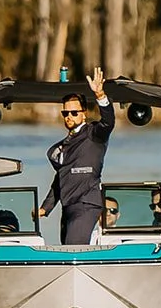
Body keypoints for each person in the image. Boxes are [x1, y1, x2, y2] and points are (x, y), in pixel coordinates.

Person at [38, 66, 115, 244]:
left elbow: (108, 122)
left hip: (87, 203)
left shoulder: (94, 134)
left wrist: (100, 96)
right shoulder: (58, 148)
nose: (69, 116)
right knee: (66, 249)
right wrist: (45, 207)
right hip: (68, 206)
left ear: (84, 114)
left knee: (74, 249)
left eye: (74, 113)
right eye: (65, 113)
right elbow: (60, 179)